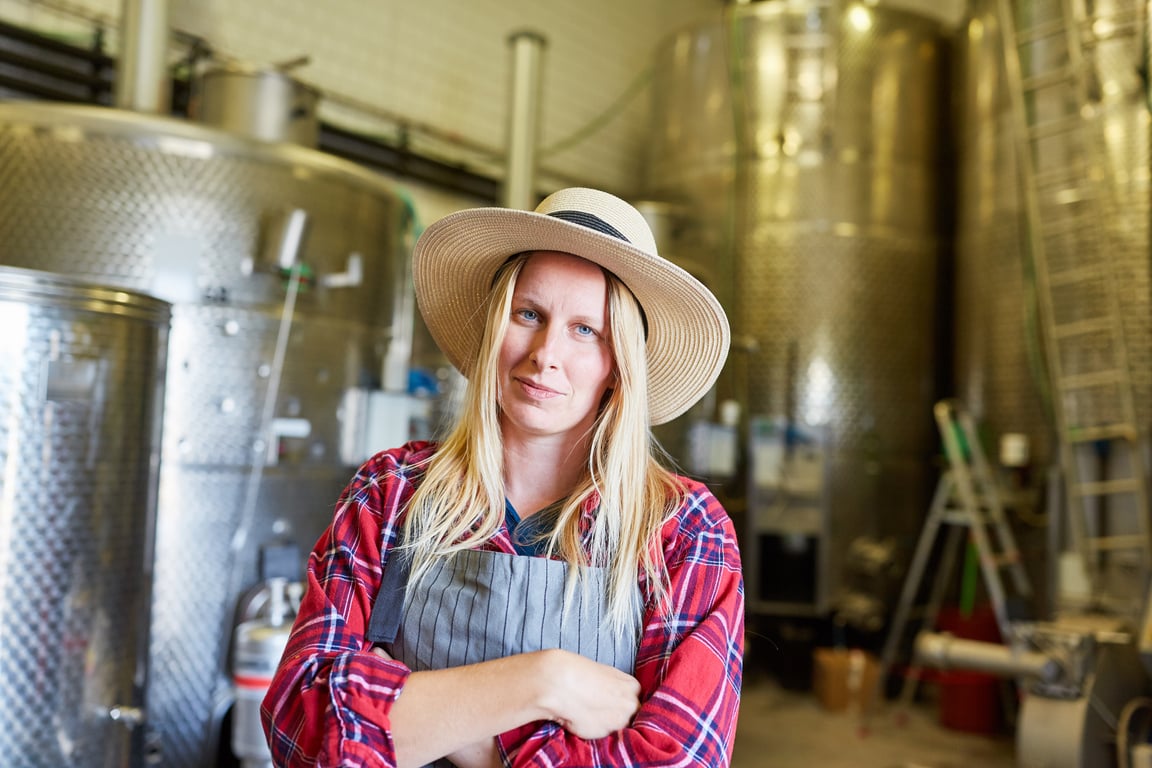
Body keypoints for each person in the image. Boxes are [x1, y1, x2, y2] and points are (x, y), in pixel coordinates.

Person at [261, 187, 744, 767]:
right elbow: (301, 723)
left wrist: (443, 725)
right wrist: (542, 683)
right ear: (495, 327)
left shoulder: (683, 530)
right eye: (529, 314)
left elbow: (675, 759)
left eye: (585, 330)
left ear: (618, 366)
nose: (545, 353)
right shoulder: (391, 494)